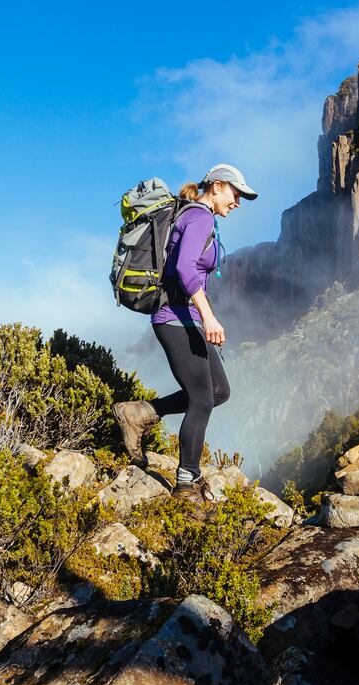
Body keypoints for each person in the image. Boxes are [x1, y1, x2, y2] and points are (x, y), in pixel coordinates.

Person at [112, 163, 257, 489]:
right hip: (173, 318)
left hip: (186, 317)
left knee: (219, 391)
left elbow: (192, 275)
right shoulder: (199, 216)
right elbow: (184, 269)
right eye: (236, 195)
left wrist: (205, 318)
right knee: (202, 399)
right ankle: (187, 482)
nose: (237, 203)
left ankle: (141, 412)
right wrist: (209, 317)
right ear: (217, 186)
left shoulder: (199, 217)